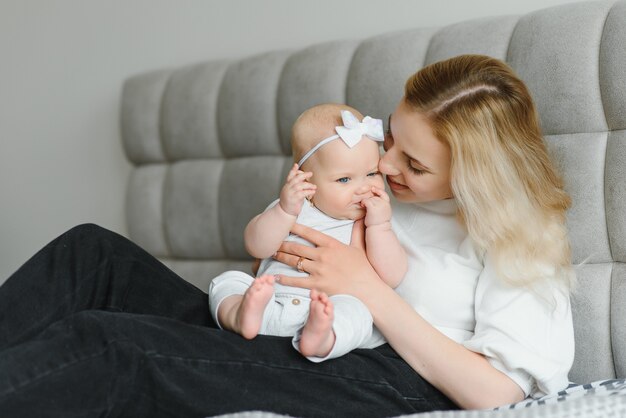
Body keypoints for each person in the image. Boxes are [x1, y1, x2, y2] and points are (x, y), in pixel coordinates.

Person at [0, 54, 574, 417]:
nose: (388, 165)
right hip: (280, 320)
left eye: (415, 165)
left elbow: (499, 396)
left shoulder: (520, 238)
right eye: (390, 141)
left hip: (384, 376)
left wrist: (367, 290)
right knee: (91, 253)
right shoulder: (377, 183)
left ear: (474, 173)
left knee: (111, 344)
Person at [209, 103, 406, 361]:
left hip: (329, 312)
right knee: (227, 280)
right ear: (306, 181)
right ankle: (240, 315)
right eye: (344, 179)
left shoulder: (373, 223)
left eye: (372, 173)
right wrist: (284, 211)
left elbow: (392, 276)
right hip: (271, 303)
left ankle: (322, 339)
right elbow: (257, 247)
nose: (364, 188)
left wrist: (380, 226)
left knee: (360, 313)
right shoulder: (292, 208)